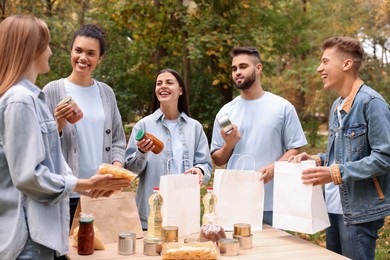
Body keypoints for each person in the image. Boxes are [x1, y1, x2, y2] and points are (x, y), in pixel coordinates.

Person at [0, 15, 131, 260]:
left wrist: (108, 175)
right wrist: (84, 185)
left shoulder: (32, 97)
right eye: (46, 44)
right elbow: (29, 175)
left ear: (99, 59)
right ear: (31, 49)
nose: (50, 51)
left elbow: (45, 158)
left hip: (46, 223)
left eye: (91, 53)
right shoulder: (24, 99)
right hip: (30, 232)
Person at [289, 36, 390, 260]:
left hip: (359, 212)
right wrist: (318, 160)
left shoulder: (372, 103)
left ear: (346, 64)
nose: (319, 68)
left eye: (325, 62)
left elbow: (384, 158)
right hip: (332, 209)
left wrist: (334, 173)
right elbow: (342, 154)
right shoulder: (337, 104)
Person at [210, 46, 307, 225]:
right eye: (234, 69)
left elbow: (295, 148)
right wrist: (229, 145)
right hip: (235, 200)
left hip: (273, 201)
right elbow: (217, 159)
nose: (237, 72)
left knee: (274, 253)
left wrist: (274, 167)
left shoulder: (283, 107)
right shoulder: (225, 112)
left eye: (243, 66)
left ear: (258, 68)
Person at [43, 24, 126, 226]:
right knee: (66, 256)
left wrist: (115, 171)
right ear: (71, 51)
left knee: (101, 254)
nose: (83, 58)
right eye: (78, 50)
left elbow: (117, 140)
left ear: (99, 58)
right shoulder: (52, 90)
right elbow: (39, 144)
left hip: (101, 195)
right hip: (67, 195)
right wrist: (58, 124)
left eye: (91, 53)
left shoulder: (106, 92)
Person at [124, 68, 212, 229]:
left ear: (180, 91)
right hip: (152, 213)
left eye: (169, 82)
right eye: (159, 83)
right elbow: (130, 172)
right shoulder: (143, 126)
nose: (163, 86)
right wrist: (141, 153)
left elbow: (206, 165)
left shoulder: (195, 128)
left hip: (185, 210)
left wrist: (199, 170)